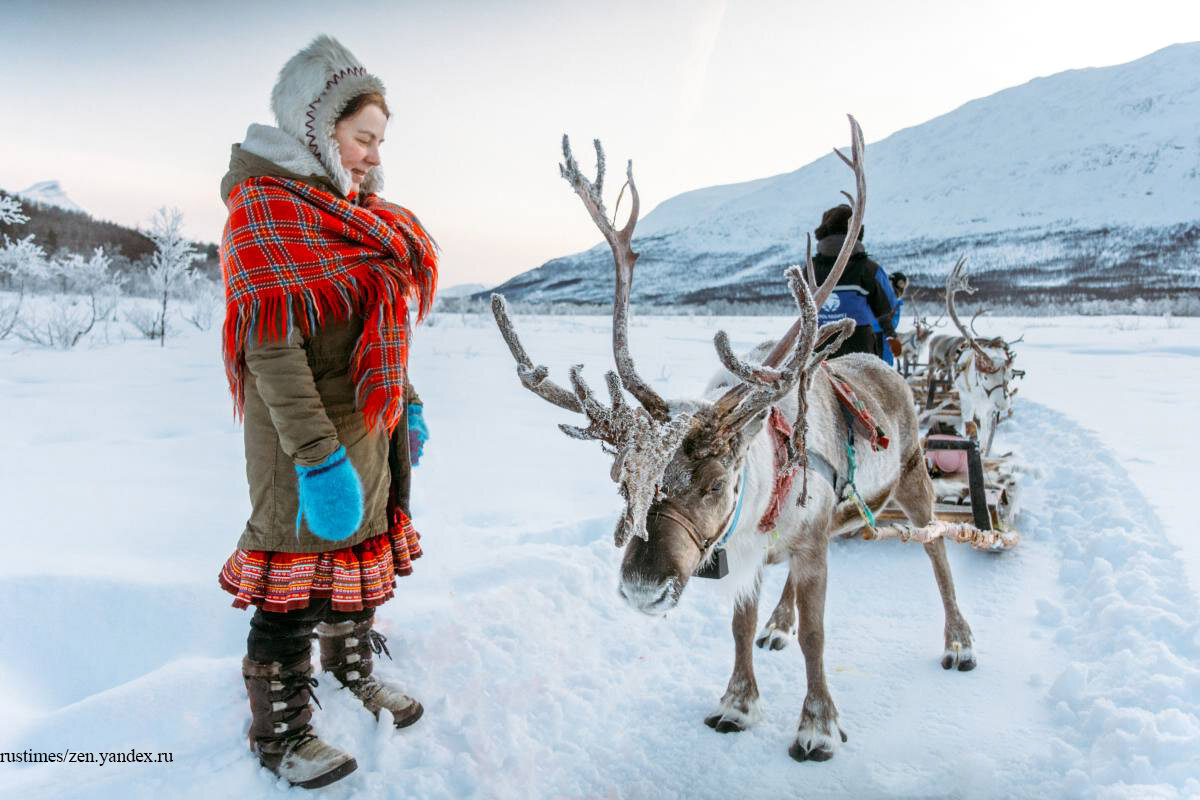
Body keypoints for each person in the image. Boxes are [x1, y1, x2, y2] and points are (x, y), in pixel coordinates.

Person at [215, 35, 438, 789]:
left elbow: (384, 335)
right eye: (362, 138)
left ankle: (352, 667)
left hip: (367, 438)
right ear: (318, 128)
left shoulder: (357, 216)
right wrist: (318, 457)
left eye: (379, 140)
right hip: (301, 449)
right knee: (294, 589)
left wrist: (405, 405)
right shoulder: (266, 217)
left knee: (356, 571)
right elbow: (271, 359)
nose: (373, 155)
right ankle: (279, 729)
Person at [810, 204, 900, 359]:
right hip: (859, 343)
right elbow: (888, 306)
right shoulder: (869, 268)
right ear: (856, 230)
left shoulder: (809, 269)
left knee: (819, 382)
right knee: (865, 383)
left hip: (819, 343)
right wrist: (890, 334)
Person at [877, 271, 908, 366]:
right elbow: (882, 320)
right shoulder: (889, 299)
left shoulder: (882, 295)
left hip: (881, 341)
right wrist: (892, 335)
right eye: (902, 284)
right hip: (881, 342)